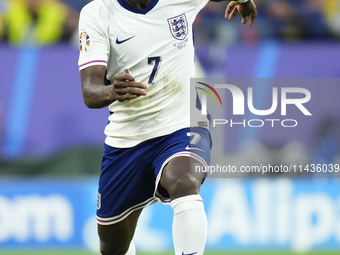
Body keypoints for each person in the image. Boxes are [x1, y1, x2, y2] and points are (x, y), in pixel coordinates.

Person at [78, 0, 256, 254]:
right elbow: (89, 91)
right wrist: (111, 90)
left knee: (184, 179)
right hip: (127, 139)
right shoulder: (97, 13)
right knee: (112, 245)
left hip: (182, 124)